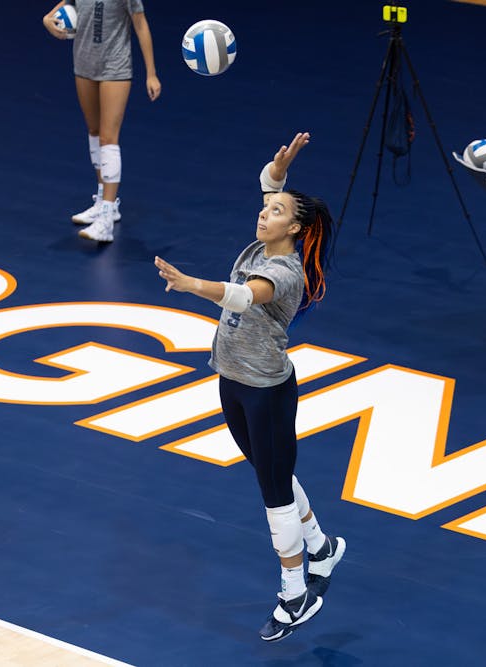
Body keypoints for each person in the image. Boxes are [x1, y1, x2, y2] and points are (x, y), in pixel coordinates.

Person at [154, 133, 345, 642]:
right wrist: (279, 172)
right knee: (273, 471)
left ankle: (294, 593)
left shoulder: (283, 271)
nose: (264, 215)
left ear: (295, 228)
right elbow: (269, 189)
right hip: (233, 381)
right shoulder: (266, 242)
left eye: (276, 212)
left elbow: (242, 296)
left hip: (266, 392)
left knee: (273, 493)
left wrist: (192, 284)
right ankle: (323, 549)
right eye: (267, 210)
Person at [43, 0, 161, 242]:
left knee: (108, 137)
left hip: (115, 68)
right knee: (94, 131)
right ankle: (103, 200)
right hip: (84, 63)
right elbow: (66, 5)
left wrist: (151, 73)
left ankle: (106, 218)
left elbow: (140, 25)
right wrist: (48, 20)